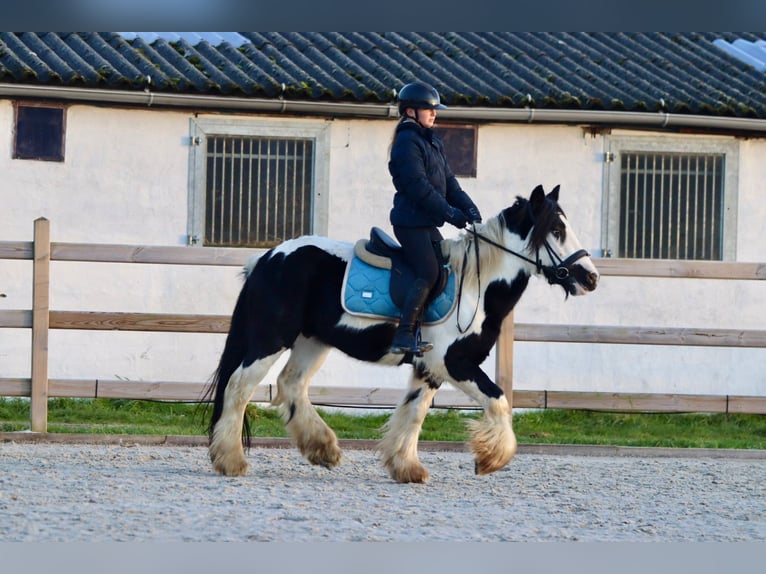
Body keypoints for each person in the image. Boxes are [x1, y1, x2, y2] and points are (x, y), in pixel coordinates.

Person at [387, 81, 482, 355]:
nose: (434, 114)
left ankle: (421, 330)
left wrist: (470, 209)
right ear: (409, 112)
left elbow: (450, 184)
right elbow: (419, 187)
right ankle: (402, 335)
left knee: (443, 269)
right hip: (409, 223)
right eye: (428, 109)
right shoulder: (406, 142)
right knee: (429, 271)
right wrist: (451, 214)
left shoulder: (431, 142)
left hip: (426, 224)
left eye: (434, 110)